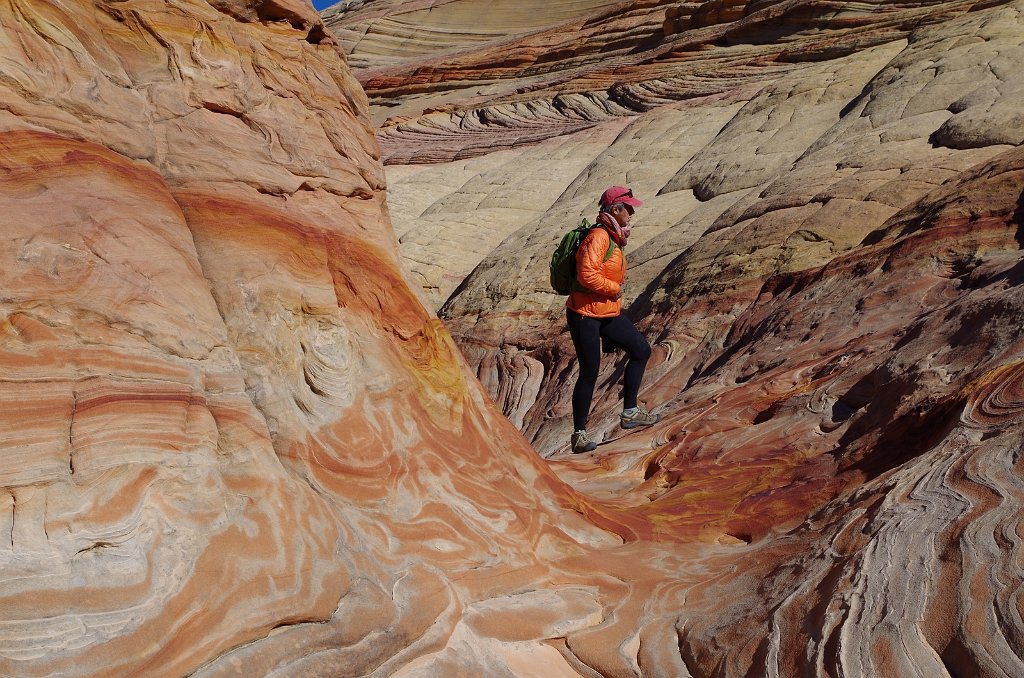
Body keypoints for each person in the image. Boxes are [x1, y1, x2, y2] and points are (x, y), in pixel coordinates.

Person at [567, 186, 660, 453]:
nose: (631, 213)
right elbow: (587, 275)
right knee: (589, 371)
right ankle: (579, 435)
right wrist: (613, 289)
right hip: (584, 314)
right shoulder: (598, 236)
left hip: (606, 311)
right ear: (615, 210)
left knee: (640, 349)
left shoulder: (614, 236)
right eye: (628, 208)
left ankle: (630, 412)